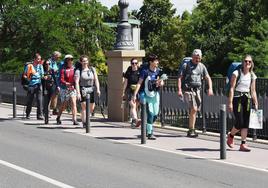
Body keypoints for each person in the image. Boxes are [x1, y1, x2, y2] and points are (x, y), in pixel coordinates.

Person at [177, 49, 213, 137]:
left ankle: (191, 128)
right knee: (194, 108)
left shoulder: (202, 66)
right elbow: (180, 78)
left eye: (199, 58)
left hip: (197, 90)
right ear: (192, 57)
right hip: (188, 90)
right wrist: (179, 90)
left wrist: (210, 88)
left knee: (195, 109)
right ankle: (191, 130)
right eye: (196, 58)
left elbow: (207, 77)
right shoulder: (186, 65)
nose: (198, 60)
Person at [227, 55, 258, 152]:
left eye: (249, 61)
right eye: (246, 61)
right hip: (237, 98)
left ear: (251, 63)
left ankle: (243, 144)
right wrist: (230, 102)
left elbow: (253, 90)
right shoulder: (236, 73)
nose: (248, 63)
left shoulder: (252, 75)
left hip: (247, 99)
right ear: (242, 62)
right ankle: (231, 135)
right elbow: (232, 88)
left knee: (245, 123)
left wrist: (256, 102)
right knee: (239, 122)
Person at [132, 54, 165, 140]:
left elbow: (160, 81)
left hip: (155, 94)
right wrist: (135, 94)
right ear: (151, 62)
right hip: (145, 94)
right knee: (150, 113)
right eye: (155, 61)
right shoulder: (145, 71)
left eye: (157, 60)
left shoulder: (158, 71)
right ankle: (150, 133)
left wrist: (161, 83)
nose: (157, 62)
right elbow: (139, 83)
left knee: (155, 114)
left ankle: (146, 125)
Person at [75, 55, 100, 127]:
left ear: (88, 61)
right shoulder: (78, 71)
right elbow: (76, 82)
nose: (85, 62)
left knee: (91, 107)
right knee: (84, 106)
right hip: (83, 89)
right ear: (81, 62)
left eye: (86, 61)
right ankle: (85, 122)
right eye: (83, 61)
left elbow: (96, 80)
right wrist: (78, 93)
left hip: (91, 88)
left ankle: (86, 117)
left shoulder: (92, 69)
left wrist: (98, 89)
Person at [56, 54, 78, 125]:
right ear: (66, 61)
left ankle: (74, 120)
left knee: (74, 103)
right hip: (64, 88)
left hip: (72, 88)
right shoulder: (63, 69)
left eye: (71, 59)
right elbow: (61, 79)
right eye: (68, 59)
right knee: (63, 105)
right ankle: (58, 117)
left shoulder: (74, 69)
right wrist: (66, 83)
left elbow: (76, 78)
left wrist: (74, 85)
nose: (70, 61)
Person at [23, 53, 44, 120]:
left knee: (39, 100)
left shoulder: (40, 66)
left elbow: (42, 75)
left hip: (38, 84)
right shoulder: (29, 66)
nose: (39, 60)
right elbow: (24, 75)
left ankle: (39, 115)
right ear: (34, 59)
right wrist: (27, 79)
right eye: (38, 59)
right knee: (30, 101)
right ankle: (27, 114)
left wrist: (45, 77)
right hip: (31, 85)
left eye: (40, 59)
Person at [122, 58, 141, 128]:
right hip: (129, 90)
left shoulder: (140, 71)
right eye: (133, 63)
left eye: (136, 63)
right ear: (131, 64)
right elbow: (126, 82)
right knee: (133, 105)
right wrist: (123, 92)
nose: (134, 65)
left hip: (137, 90)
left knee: (135, 106)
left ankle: (133, 121)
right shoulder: (129, 71)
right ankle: (136, 120)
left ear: (137, 64)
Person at [48, 51, 62, 115]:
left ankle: (54, 109)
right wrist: (55, 70)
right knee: (50, 96)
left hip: (56, 80)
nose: (58, 58)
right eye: (58, 57)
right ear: (54, 56)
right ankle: (47, 110)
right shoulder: (49, 61)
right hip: (50, 81)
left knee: (55, 95)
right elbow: (49, 70)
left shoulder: (55, 62)